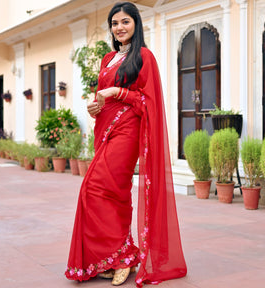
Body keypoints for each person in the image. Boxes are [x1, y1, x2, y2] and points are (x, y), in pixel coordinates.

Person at [65, 2, 187, 287]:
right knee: (108, 192)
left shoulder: (144, 56)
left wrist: (119, 91)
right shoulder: (108, 58)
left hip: (128, 131)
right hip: (106, 129)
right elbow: (101, 98)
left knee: (97, 187)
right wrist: (95, 108)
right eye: (115, 23)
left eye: (125, 22)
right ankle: (115, 255)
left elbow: (149, 101)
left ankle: (124, 257)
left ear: (136, 24)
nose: (119, 28)